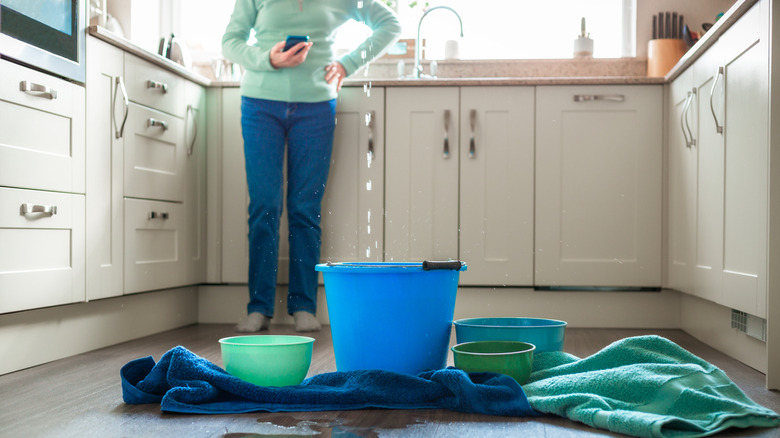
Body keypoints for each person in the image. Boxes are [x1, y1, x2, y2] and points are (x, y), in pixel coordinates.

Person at [222, 0, 401, 332]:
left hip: (316, 108)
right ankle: (259, 306)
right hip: (260, 105)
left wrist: (347, 64)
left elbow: (390, 24)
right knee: (264, 206)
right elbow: (230, 41)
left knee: (305, 209)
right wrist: (267, 59)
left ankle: (303, 304)